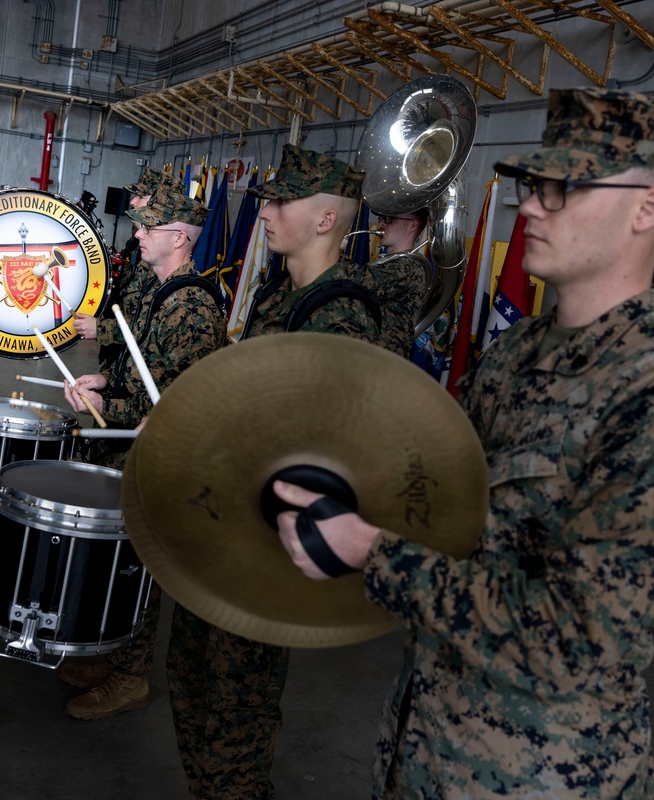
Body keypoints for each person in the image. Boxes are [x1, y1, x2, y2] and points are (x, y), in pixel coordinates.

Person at [273, 87, 654, 798]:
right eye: (532, 185)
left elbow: (575, 639)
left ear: (647, 208)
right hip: (428, 747)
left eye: (562, 189)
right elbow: (433, 484)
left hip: (542, 778)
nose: (530, 206)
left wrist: (372, 553)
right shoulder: (521, 349)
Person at [166, 143, 381, 799]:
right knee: (192, 681)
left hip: (267, 545)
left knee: (235, 710)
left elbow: (318, 441)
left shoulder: (339, 313)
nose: (266, 211)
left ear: (324, 221)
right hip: (226, 526)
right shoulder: (276, 295)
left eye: (283, 200)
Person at [59, 184, 226, 721]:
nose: (137, 233)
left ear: (178, 237)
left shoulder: (191, 306)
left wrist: (107, 408)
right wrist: (103, 382)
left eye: (147, 228)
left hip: (157, 460)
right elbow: (141, 375)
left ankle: (130, 678)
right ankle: (114, 657)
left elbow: (174, 409)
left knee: (137, 568)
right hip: (130, 453)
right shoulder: (160, 291)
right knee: (117, 560)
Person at [73, 167, 184, 367]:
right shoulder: (135, 244)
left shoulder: (161, 255)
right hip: (122, 362)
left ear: (160, 202)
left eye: (141, 195)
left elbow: (151, 326)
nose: (132, 201)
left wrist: (102, 329)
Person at [347, 208, 429, 358]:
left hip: (382, 365)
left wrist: (332, 247)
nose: (383, 223)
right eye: (382, 218)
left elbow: (356, 283)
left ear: (413, 225)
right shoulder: (391, 264)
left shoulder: (407, 266)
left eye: (390, 218)